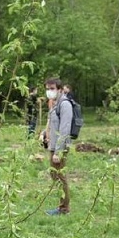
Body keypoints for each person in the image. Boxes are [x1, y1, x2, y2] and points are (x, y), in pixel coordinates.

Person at [42, 78, 72, 215]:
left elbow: (64, 129)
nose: (49, 91)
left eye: (52, 88)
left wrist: (58, 152)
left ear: (60, 89)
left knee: (60, 177)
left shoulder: (64, 104)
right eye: (47, 89)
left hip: (60, 147)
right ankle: (62, 205)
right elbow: (53, 123)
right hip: (53, 146)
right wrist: (44, 133)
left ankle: (64, 208)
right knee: (54, 174)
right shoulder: (54, 103)